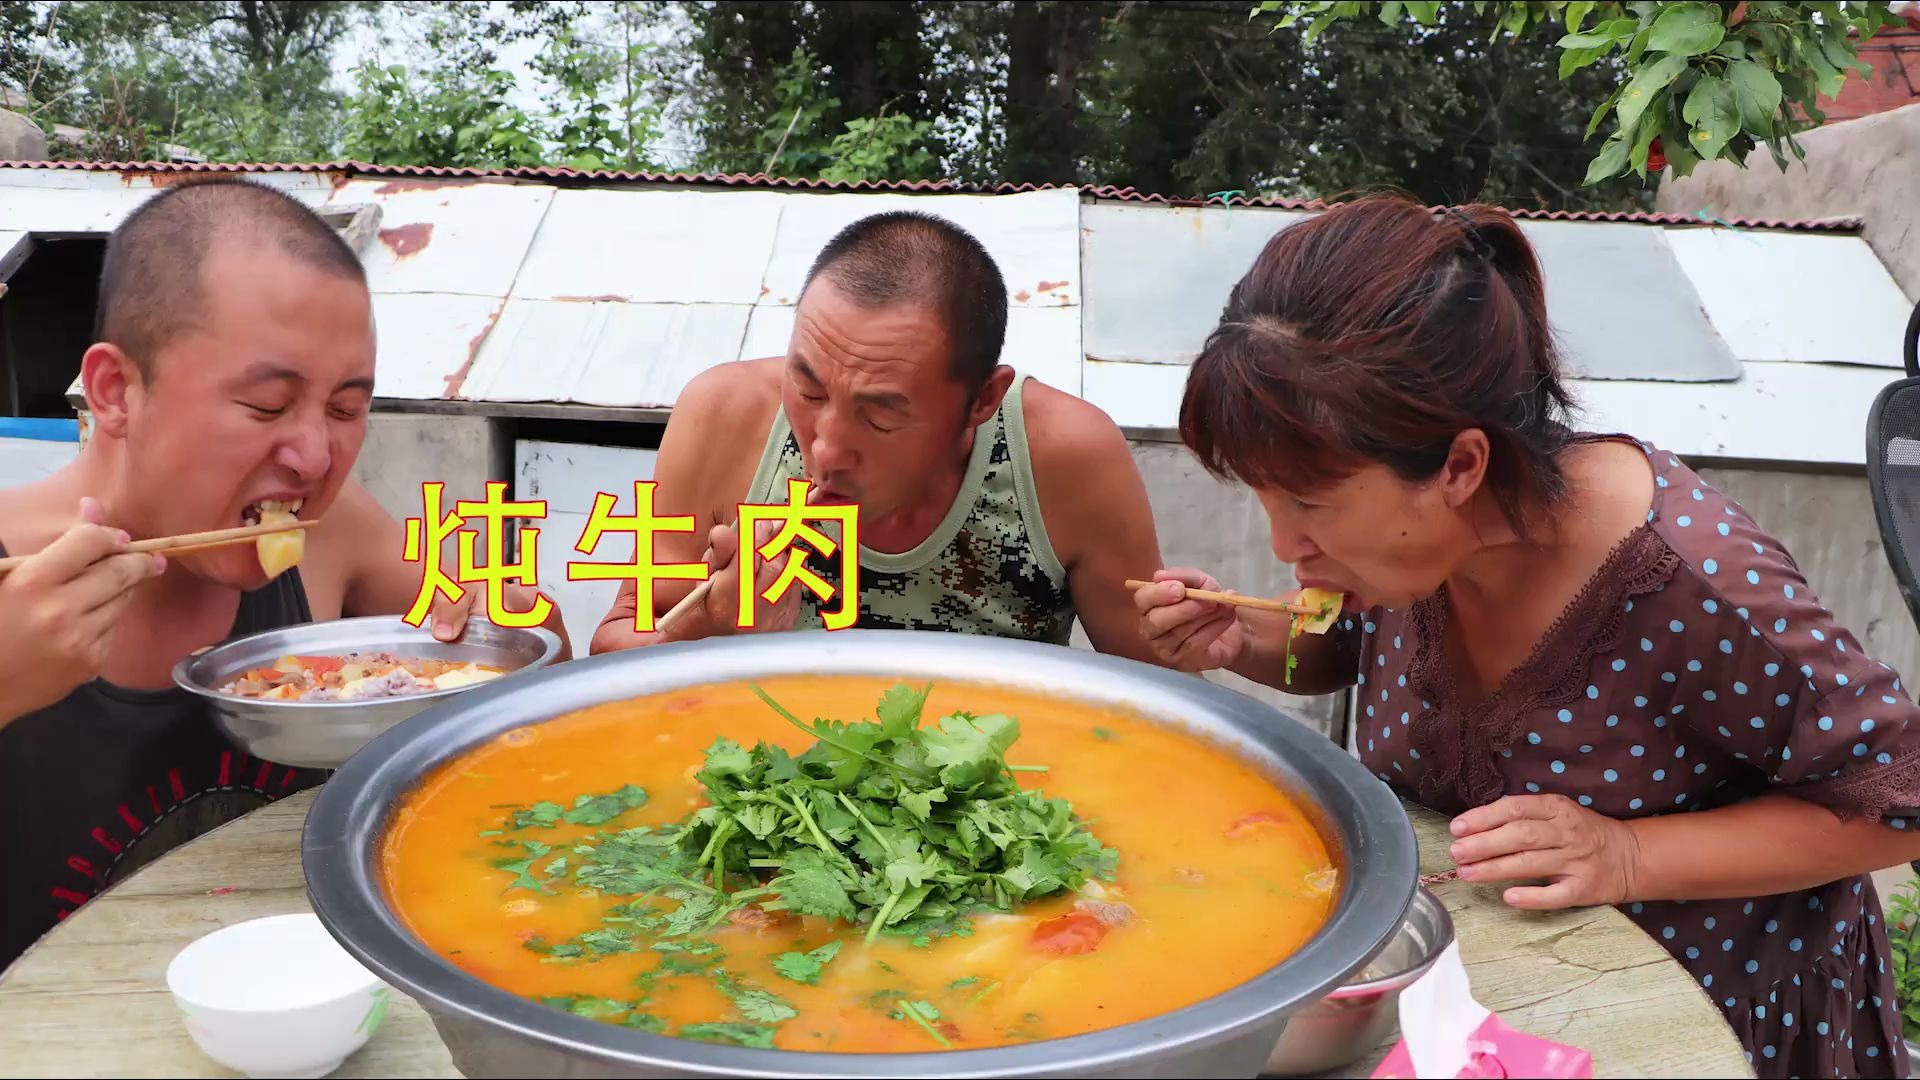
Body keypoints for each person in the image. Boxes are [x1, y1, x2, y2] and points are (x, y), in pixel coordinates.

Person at [1133, 193, 1920, 1079]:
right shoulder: (1413, 555)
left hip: (1707, 1029)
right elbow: (1353, 651)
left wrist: (1626, 854)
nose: (1284, 544)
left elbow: (1895, 805)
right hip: (1489, 1014)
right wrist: (1241, 641)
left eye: (1309, 503)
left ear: (1462, 466)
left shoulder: (1699, 585)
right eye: (1266, 499)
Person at [0, 179, 570, 969]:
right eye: (268, 406)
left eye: (344, 410)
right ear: (115, 391)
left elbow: (528, 661)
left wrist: (516, 614)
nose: (313, 457)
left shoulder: (338, 533)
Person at [590, 210, 1164, 662]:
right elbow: (613, 651)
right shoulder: (723, 417)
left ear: (982, 400)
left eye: (881, 416)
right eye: (809, 391)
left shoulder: (1065, 458)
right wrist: (709, 627)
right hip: (766, 792)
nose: (826, 450)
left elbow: (1162, 695)